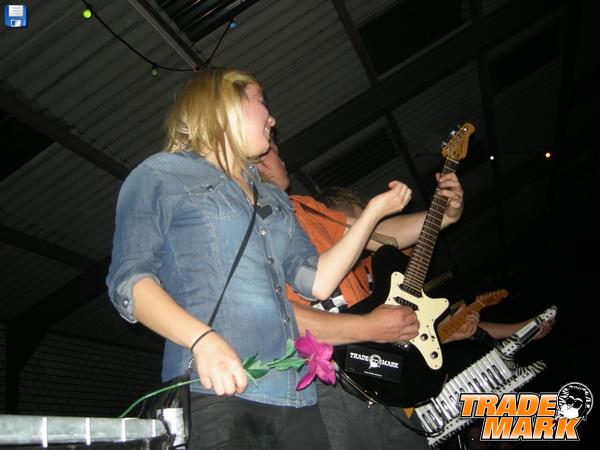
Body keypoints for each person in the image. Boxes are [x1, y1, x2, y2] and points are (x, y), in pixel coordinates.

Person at [105, 68, 413, 449]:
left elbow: (317, 281)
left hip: (297, 399)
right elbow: (130, 282)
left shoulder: (275, 199)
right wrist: (202, 339)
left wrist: (373, 214)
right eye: (261, 102)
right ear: (224, 106)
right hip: (216, 389)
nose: (273, 118)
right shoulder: (160, 174)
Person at [258, 139, 468, 450]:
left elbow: (384, 237)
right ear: (259, 161)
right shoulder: (242, 222)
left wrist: (445, 216)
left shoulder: (303, 207)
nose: (281, 156)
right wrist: (368, 326)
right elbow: (271, 314)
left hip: (374, 359)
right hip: (317, 380)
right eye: (273, 149)